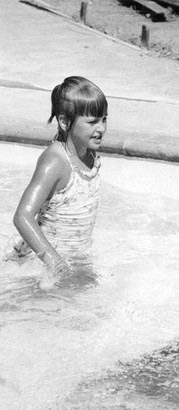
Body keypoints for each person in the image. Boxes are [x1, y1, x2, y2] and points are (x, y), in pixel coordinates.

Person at [7, 76, 108, 283]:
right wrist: (55, 262)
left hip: (74, 260)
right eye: (92, 122)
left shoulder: (88, 154)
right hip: (42, 266)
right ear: (64, 121)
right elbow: (22, 216)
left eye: (104, 119)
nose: (101, 129)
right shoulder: (55, 161)